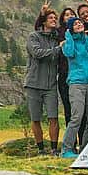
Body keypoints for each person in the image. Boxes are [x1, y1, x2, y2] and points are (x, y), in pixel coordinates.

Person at [60, 16, 88, 158]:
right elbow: (69, 53)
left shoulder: (87, 40)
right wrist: (68, 36)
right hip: (76, 82)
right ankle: (66, 150)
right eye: (75, 24)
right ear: (71, 28)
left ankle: (86, 149)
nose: (79, 24)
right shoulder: (68, 42)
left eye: (80, 22)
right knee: (77, 116)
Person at [24, 8, 62, 155]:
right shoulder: (33, 36)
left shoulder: (56, 38)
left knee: (53, 117)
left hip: (51, 85)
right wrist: (57, 50)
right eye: (51, 18)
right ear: (44, 21)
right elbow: (37, 53)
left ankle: (54, 150)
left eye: (55, 18)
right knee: (36, 118)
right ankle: (41, 150)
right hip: (33, 84)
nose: (54, 20)